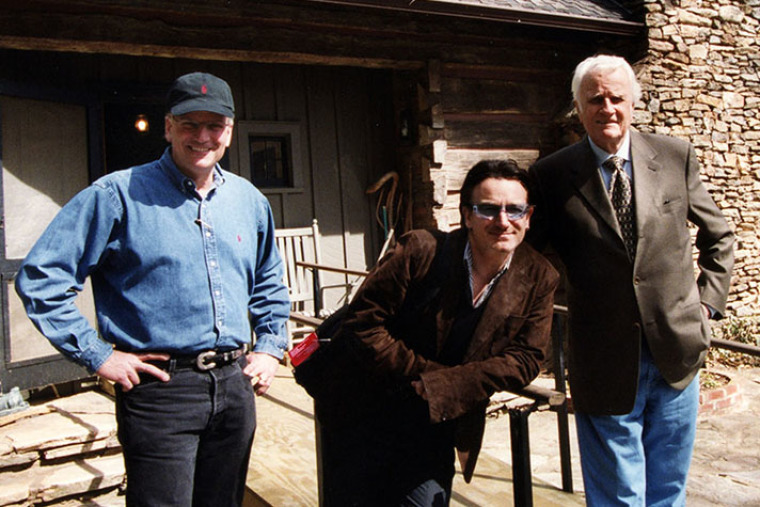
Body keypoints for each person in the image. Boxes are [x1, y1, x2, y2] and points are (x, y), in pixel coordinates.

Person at [15, 72, 290, 506]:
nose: (202, 136)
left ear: (230, 131)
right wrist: (99, 354)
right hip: (162, 391)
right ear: (167, 127)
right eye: (189, 124)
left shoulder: (249, 201)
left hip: (237, 388)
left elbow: (269, 281)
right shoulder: (116, 196)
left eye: (214, 125)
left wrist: (272, 346)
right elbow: (42, 278)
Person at [528, 54, 735, 506]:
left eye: (617, 97)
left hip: (676, 355)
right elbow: (530, 260)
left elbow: (719, 235)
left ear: (634, 103)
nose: (607, 108)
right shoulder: (552, 175)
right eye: (595, 99)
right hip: (602, 360)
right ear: (578, 108)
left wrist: (706, 307)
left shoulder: (674, 155)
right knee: (618, 496)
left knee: (668, 491)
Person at [304, 160, 559, 506]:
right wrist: (432, 377)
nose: (502, 221)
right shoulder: (420, 250)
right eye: (487, 209)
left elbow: (527, 358)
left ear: (528, 217)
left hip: (435, 426)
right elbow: (363, 324)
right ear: (467, 215)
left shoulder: (539, 277)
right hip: (362, 413)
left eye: (514, 209)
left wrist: (450, 385)